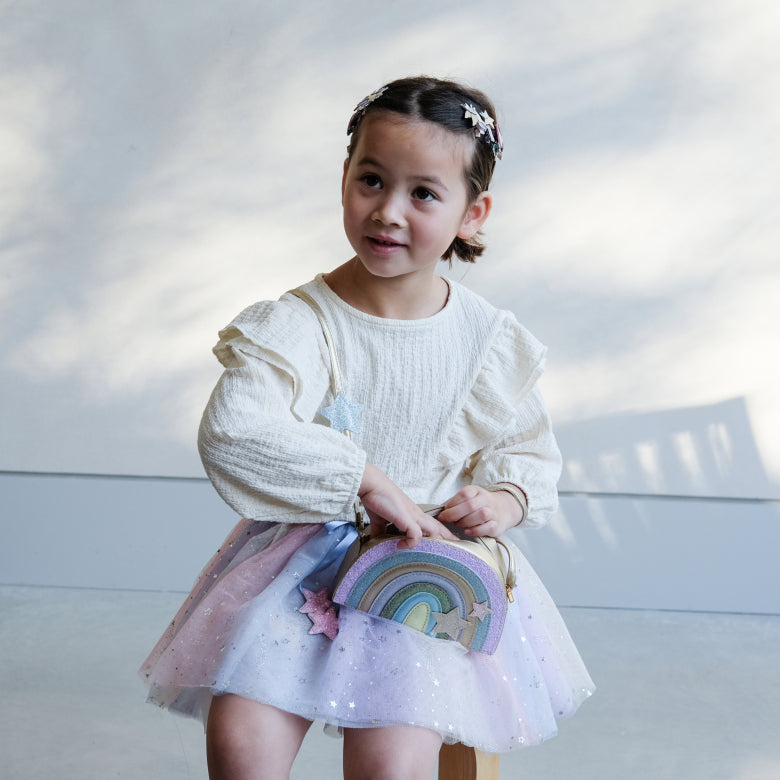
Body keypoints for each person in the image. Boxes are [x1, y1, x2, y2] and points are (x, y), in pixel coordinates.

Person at [140, 75, 594, 780]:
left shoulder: (488, 341)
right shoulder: (301, 323)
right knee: (241, 739)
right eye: (371, 180)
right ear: (345, 177)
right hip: (300, 568)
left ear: (472, 213)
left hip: (421, 575)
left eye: (424, 193)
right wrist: (364, 480)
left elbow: (529, 458)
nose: (387, 211)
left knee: (392, 759)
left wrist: (503, 499)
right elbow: (234, 430)